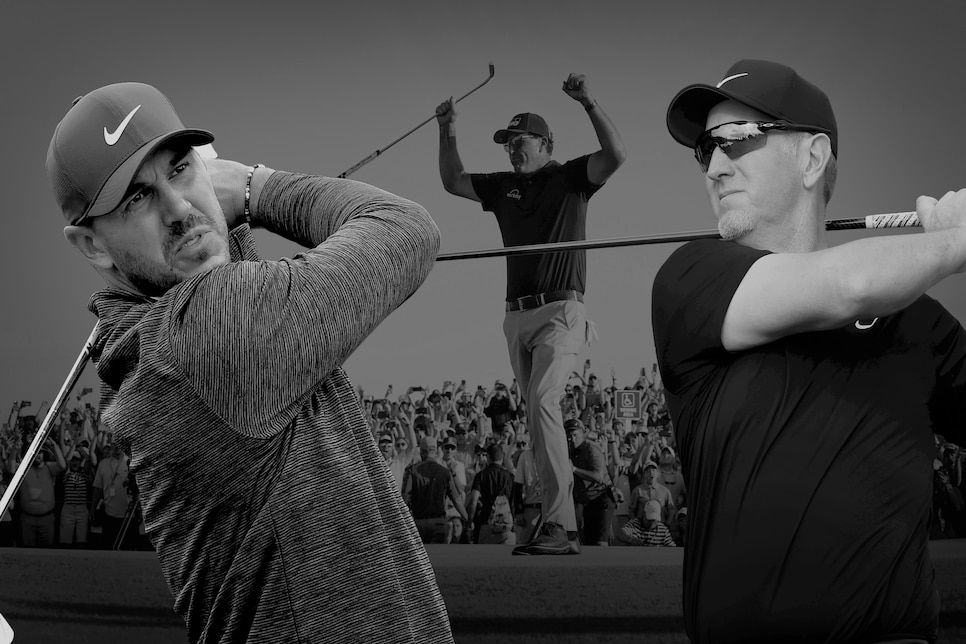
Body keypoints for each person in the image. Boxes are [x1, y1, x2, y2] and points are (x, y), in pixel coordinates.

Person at [47, 82, 450, 642]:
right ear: (92, 245)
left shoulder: (168, 337)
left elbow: (222, 271)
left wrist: (223, 229)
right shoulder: (206, 334)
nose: (180, 209)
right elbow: (404, 229)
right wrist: (258, 188)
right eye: (137, 198)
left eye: (181, 170)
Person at [655, 59, 966, 643]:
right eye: (705, 150)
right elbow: (848, 285)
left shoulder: (919, 322)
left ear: (812, 158)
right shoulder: (689, 279)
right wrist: (955, 241)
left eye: (737, 141)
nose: (715, 167)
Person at [435, 73, 626, 555]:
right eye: (507, 143)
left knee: (543, 401)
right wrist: (448, 129)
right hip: (515, 317)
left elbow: (617, 155)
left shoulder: (571, 177)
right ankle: (556, 525)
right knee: (539, 422)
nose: (511, 150)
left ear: (544, 143)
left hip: (562, 311)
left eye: (519, 141)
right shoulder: (502, 188)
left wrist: (588, 102)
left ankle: (561, 526)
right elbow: (452, 181)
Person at [402, 436, 468, 544]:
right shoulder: (444, 472)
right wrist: (466, 518)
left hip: (418, 523)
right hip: (439, 523)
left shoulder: (412, 470)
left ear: (421, 452)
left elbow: (405, 497)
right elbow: (456, 500)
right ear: (436, 451)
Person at [565, 418, 614, 546]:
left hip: (602, 497)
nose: (572, 439)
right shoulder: (569, 451)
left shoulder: (591, 448)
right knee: (588, 543)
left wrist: (574, 469)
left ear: (583, 433)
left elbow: (598, 476)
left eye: (575, 435)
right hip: (587, 501)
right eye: (569, 436)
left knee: (600, 543)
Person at [467, 443, 516, 544]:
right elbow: (514, 500)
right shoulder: (510, 477)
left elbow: (473, 501)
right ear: (502, 456)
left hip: (487, 524)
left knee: (485, 558)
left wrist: (469, 522)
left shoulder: (481, 475)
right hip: (507, 525)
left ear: (488, 457)